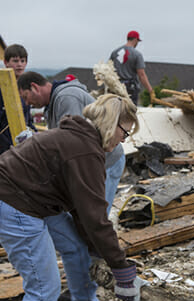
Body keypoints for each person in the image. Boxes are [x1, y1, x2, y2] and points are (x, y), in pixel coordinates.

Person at [0, 94, 140, 301]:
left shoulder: (82, 140)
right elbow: (95, 216)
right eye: (125, 132)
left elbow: (83, 209)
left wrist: (95, 249)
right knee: (44, 288)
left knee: (77, 248)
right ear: (111, 124)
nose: (123, 139)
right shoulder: (85, 151)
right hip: (12, 203)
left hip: (33, 199)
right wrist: (121, 268)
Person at [17, 71, 125, 215]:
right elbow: (61, 139)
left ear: (35, 87)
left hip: (107, 161)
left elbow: (74, 142)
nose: (27, 103)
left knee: (96, 215)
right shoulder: (53, 104)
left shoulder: (67, 98)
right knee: (85, 216)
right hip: (92, 162)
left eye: (25, 97)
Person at [109, 30, 155, 105]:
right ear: (135, 40)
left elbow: (108, 68)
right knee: (130, 113)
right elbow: (141, 75)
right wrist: (150, 89)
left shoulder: (115, 52)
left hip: (115, 88)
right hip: (129, 89)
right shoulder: (137, 54)